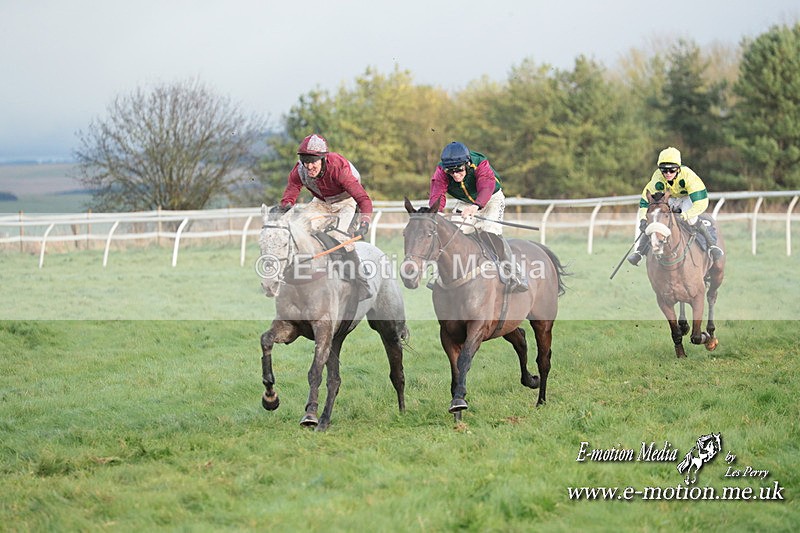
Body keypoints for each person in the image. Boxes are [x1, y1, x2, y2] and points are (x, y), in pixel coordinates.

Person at [272, 133, 373, 299]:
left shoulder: (339, 169)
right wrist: (284, 208)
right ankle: (285, 276)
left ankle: (362, 282)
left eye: (313, 162)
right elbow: (291, 193)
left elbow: (363, 199)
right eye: (306, 162)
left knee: (337, 236)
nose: (309, 166)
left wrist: (364, 223)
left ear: (323, 159)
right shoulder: (299, 171)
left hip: (346, 202)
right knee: (297, 230)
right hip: (321, 202)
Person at [428, 141, 527, 293]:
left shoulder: (480, 163)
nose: (455, 174)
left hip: (492, 198)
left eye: (459, 170)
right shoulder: (441, 170)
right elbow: (437, 194)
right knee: (450, 233)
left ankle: (514, 271)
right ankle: (439, 274)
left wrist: (476, 206)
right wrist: (437, 214)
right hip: (466, 202)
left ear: (467, 164)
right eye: (451, 171)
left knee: (490, 233)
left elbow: (487, 186)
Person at [627, 146, 724, 266]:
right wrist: (643, 219)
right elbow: (644, 202)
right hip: (670, 198)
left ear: (678, 169)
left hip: (688, 198)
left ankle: (712, 246)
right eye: (664, 170)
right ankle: (639, 252)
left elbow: (701, 203)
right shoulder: (657, 178)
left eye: (672, 170)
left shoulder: (689, 177)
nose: (667, 174)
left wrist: (684, 215)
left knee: (691, 219)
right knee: (655, 218)